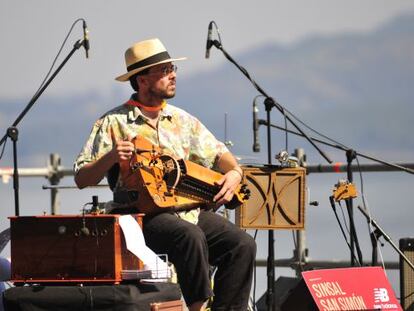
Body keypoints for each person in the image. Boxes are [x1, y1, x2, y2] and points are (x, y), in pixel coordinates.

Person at [74, 38, 256, 311]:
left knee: (241, 244)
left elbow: (225, 160)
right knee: (189, 236)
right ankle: (197, 307)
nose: (173, 75)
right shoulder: (112, 122)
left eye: (173, 68)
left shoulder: (184, 120)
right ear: (142, 79)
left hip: (187, 210)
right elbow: (81, 178)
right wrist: (111, 156)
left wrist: (235, 175)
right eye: (165, 70)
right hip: (138, 217)